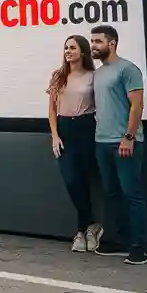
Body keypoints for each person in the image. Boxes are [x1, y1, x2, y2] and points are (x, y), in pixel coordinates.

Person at [89, 24, 147, 265]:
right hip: (101, 142)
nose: (93, 46)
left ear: (111, 42)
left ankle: (139, 247)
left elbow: (137, 106)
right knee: (111, 194)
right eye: (92, 41)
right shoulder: (99, 73)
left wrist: (129, 137)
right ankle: (116, 241)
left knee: (132, 195)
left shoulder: (128, 69)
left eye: (97, 41)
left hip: (124, 142)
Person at [47, 35, 103, 253]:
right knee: (71, 180)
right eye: (66, 48)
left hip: (86, 128)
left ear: (82, 51)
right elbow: (51, 108)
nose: (68, 51)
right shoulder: (58, 76)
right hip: (64, 129)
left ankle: (82, 232)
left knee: (85, 180)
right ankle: (91, 226)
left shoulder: (93, 76)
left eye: (72, 47)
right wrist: (54, 135)